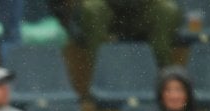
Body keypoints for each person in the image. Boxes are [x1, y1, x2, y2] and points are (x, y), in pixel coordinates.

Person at [49, 0, 180, 68]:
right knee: (93, 8)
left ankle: (164, 76)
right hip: (106, 12)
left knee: (166, 10)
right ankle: (104, 75)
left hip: (139, 10)